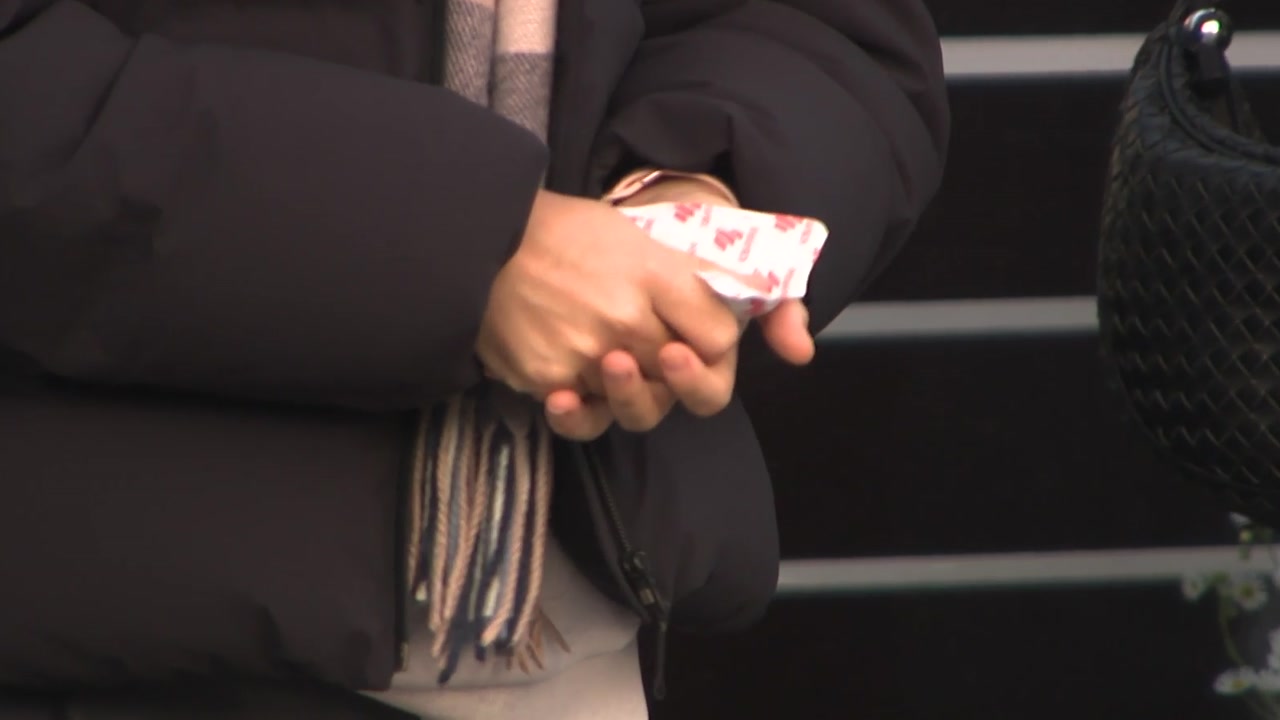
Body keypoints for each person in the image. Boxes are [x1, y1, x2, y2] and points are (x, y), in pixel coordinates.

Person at [0, 0, 949, 717]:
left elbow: (821, 24)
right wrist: (471, 252)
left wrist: (697, 189)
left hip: (561, 649)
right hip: (117, 637)